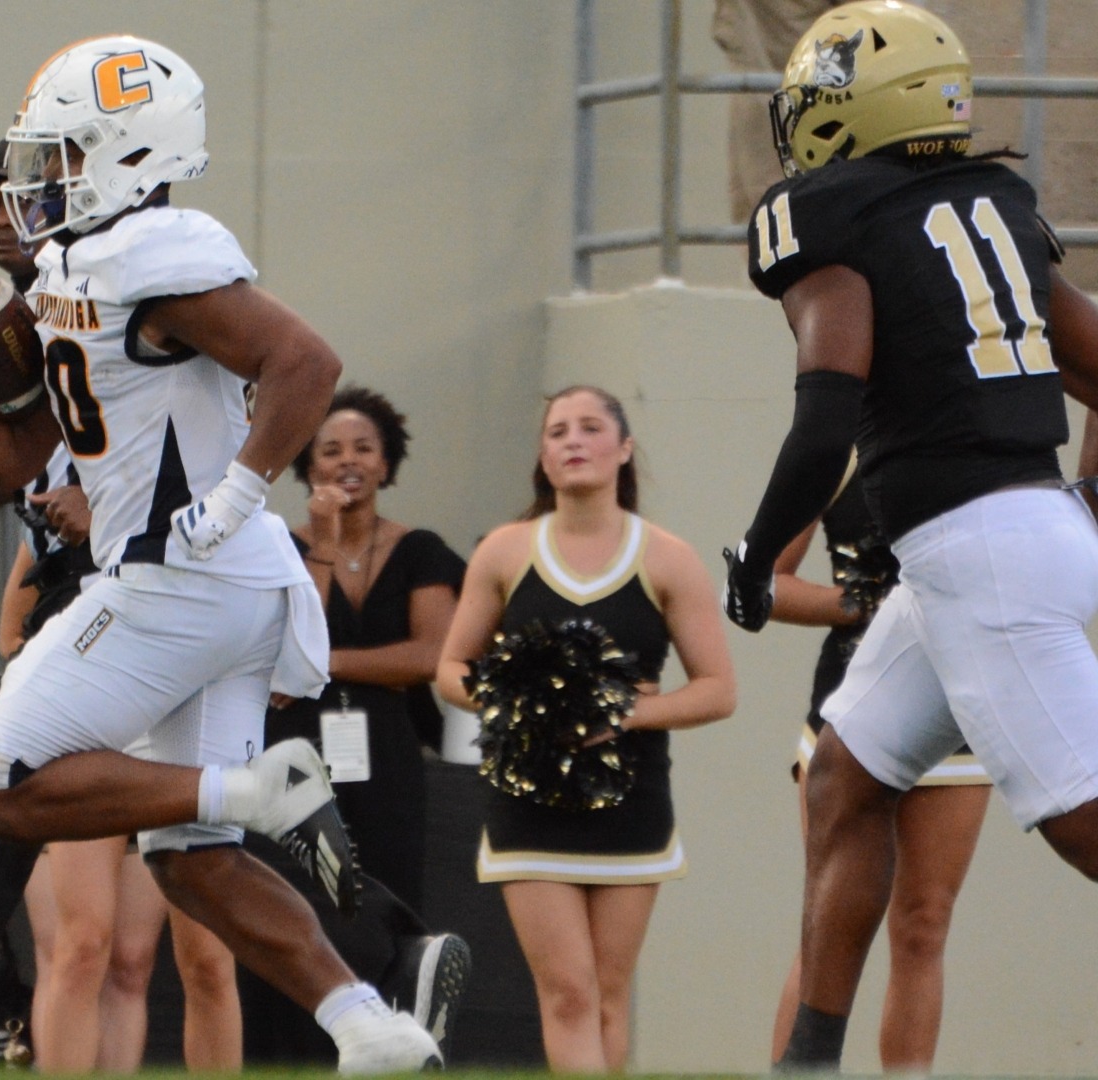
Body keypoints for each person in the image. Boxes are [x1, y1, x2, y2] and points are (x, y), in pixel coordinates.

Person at [0, 35, 440, 1072]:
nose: (37, 185)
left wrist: (237, 489)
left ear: (130, 156)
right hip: (222, 590)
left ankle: (254, 791)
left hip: (178, 579)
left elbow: (306, 361)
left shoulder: (154, 250)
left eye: (60, 159)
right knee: (189, 861)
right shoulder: (77, 266)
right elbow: (21, 454)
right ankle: (367, 1026)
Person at [721, 2, 1098, 1069]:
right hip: (987, 546)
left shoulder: (826, 216)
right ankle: (808, 1060)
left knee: (1083, 820)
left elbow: (826, 415)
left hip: (978, 553)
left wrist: (756, 553)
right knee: (847, 775)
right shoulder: (995, 202)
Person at [436, 386, 735, 1072]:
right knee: (568, 992)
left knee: (607, 994)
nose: (573, 440)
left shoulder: (668, 557)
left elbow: (719, 690)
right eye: (558, 431)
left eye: (591, 427)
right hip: (527, 801)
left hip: (631, 802)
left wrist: (617, 715)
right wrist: (519, 705)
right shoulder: (506, 552)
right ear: (543, 459)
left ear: (623, 449)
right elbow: (450, 669)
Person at [763, 464, 989, 1070]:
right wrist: (867, 604)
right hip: (849, 716)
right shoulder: (834, 445)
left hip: (957, 712)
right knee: (824, 931)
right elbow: (770, 583)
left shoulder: (982, 434)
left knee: (923, 926)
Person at [269, 385, 467, 910]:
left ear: (385, 463)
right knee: (298, 902)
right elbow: (293, 649)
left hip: (387, 751)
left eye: (363, 448)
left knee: (388, 896)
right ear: (308, 467)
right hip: (294, 747)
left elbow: (430, 656)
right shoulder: (278, 549)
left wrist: (329, 664)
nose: (348, 461)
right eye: (330, 451)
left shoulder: (419, 551)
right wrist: (325, 544)